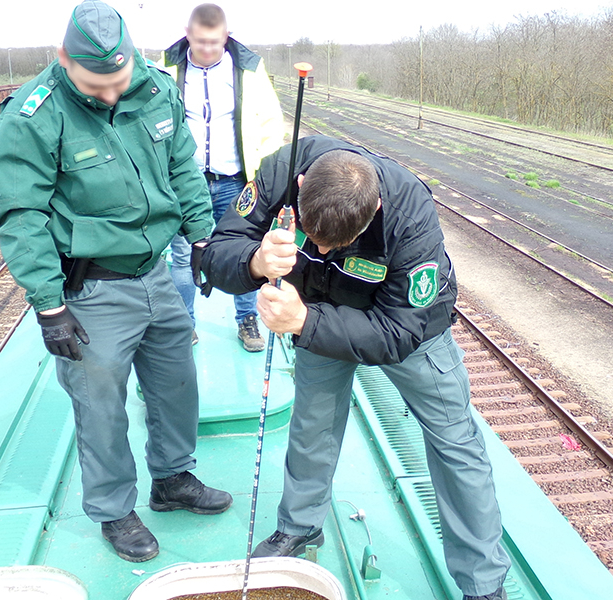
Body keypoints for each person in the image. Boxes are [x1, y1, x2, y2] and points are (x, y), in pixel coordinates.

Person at [200, 136, 511, 600]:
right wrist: (255, 260)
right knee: (313, 423)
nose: (322, 251)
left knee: (455, 442)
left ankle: (483, 584)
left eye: (338, 243)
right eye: (314, 237)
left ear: (377, 206)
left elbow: (398, 331)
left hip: (410, 331)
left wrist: (303, 320)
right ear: (301, 187)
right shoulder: (279, 173)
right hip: (322, 312)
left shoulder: (411, 214)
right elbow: (218, 251)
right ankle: (301, 526)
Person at [0, 0, 231, 564]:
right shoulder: (33, 117)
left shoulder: (152, 87)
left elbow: (182, 168)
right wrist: (49, 306)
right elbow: (22, 217)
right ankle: (114, 510)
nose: (111, 96)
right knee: (100, 403)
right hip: (92, 289)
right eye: (96, 87)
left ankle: (173, 478)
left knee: (176, 382)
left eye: (118, 82)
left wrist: (202, 237)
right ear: (62, 60)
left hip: (157, 273)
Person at [162, 3, 284, 351]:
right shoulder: (167, 68)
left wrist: (260, 177)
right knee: (184, 257)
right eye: (200, 41)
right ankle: (185, 324)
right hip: (186, 184)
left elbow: (270, 125)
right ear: (188, 36)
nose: (207, 49)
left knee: (241, 252)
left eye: (215, 42)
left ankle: (247, 322)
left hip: (235, 182)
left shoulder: (248, 69)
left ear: (226, 37)